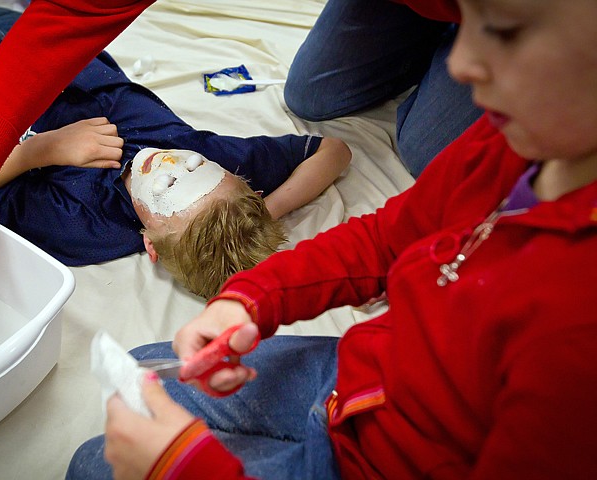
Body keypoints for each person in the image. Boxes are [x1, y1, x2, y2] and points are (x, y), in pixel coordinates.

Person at [67, 0, 597, 478]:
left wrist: (190, 466)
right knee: (147, 372)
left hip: (383, 460)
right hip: (368, 379)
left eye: (504, 30)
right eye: (466, 19)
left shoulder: (572, 335)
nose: (458, 64)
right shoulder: (510, 139)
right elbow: (390, 234)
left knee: (95, 465)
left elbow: (329, 152)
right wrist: (252, 299)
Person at [0, 0, 351, 310]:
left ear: (150, 242)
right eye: (194, 167)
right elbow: (334, 151)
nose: (170, 163)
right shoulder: (219, 169)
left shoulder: (86, 225)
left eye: (167, 190)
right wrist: (267, 211)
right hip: (32, 42)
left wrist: (43, 150)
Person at [284, 0, 484, 177]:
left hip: (489, 12)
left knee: (426, 153)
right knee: (311, 96)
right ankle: (433, 34)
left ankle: (454, 37)